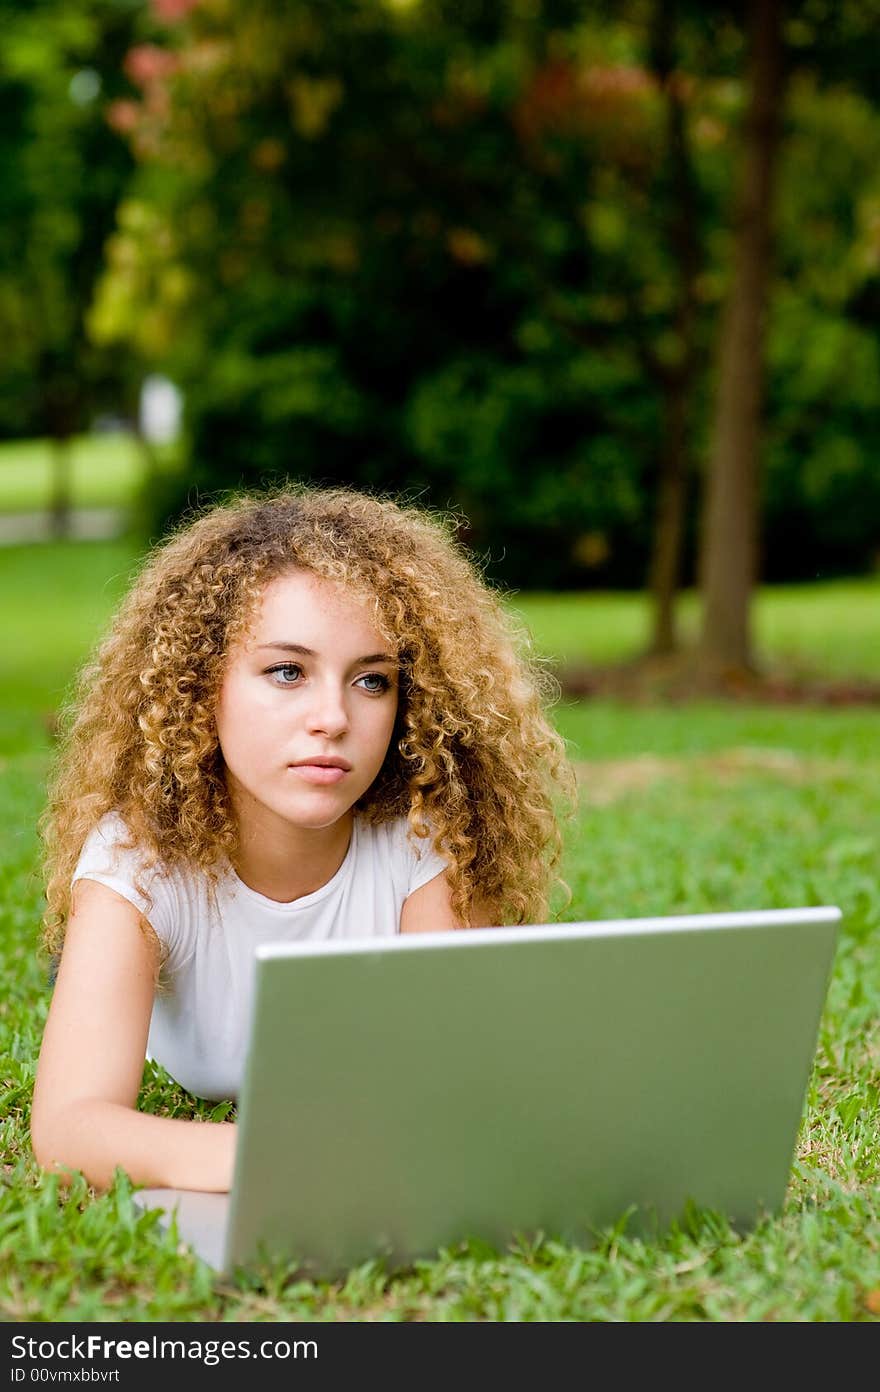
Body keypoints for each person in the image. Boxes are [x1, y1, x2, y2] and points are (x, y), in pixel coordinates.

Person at [31, 485, 575, 1194]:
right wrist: (271, 1159)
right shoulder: (136, 860)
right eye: (287, 671)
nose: (333, 717)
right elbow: (71, 1129)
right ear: (202, 686)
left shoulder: (426, 841)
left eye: (372, 681)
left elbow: (467, 1083)